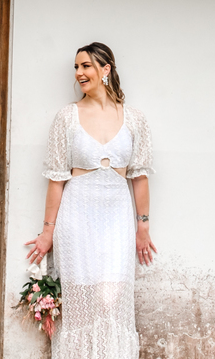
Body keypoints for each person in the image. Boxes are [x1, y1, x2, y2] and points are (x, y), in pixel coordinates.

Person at [25, 42, 157, 359]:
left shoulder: (134, 119)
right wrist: (47, 232)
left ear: (106, 69)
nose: (79, 73)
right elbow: (57, 180)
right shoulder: (67, 117)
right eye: (76, 67)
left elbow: (139, 179)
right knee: (81, 303)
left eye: (86, 66)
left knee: (111, 300)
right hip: (77, 216)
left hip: (116, 218)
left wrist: (143, 228)